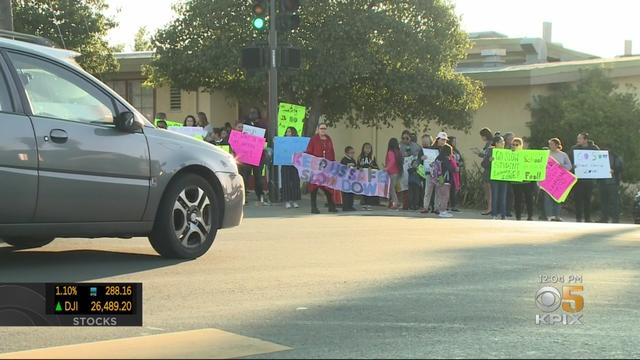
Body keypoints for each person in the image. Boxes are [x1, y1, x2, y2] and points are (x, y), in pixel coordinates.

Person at [306, 123, 337, 214]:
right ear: (318, 129)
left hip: (327, 167)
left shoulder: (328, 139)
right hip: (316, 167)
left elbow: (332, 151)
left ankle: (331, 206)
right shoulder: (314, 139)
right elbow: (309, 151)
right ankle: (313, 207)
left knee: (328, 187)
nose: (323, 130)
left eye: (324, 128)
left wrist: (333, 163)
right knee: (314, 188)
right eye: (321, 128)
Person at [569, 132, 600, 222]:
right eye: (577, 138)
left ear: (585, 140)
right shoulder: (574, 149)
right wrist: (572, 166)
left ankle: (587, 218)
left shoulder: (594, 149)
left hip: (589, 179)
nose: (578, 140)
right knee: (578, 199)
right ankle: (578, 218)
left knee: (587, 199)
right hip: (577, 178)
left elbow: (599, 161)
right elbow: (569, 161)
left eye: (579, 139)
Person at [545, 138, 572, 221]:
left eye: (552, 144)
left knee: (557, 198)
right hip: (548, 179)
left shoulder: (563, 155)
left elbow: (569, 166)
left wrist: (562, 166)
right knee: (548, 198)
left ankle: (556, 216)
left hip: (559, 179)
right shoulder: (546, 154)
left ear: (557, 145)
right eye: (549, 144)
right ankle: (549, 216)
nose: (550, 146)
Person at [482, 135, 508, 220]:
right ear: (496, 143)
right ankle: (494, 214)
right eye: (501, 142)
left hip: (504, 177)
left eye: (503, 141)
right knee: (495, 195)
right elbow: (483, 164)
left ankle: (503, 215)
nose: (503, 143)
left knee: (503, 196)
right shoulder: (490, 151)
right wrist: (489, 160)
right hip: (494, 177)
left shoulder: (507, 152)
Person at [510, 137, 534, 221]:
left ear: (521, 145)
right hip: (515, 182)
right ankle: (518, 216)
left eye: (517, 144)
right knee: (517, 199)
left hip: (526, 181)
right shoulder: (508, 155)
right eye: (513, 144)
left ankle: (530, 215)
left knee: (529, 198)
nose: (515, 146)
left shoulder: (526, 154)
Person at [598, 145, 623, 223]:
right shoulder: (599, 157)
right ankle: (604, 218)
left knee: (614, 201)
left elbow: (620, 168)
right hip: (602, 182)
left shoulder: (615, 157)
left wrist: (614, 170)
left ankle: (615, 219)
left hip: (613, 182)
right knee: (603, 201)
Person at [400, 130, 422, 210]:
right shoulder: (400, 146)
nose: (405, 140)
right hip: (403, 168)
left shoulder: (416, 146)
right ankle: (406, 205)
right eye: (403, 138)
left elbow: (419, 156)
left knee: (414, 188)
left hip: (413, 170)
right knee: (404, 187)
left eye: (407, 138)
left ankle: (414, 204)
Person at [431, 142, 454, 218]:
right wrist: (455, 168)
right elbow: (450, 168)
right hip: (445, 179)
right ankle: (443, 211)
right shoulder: (446, 159)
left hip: (438, 178)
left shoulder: (438, 158)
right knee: (445, 196)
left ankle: (439, 209)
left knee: (440, 196)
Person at [474, 127, 494, 215]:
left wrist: (480, 154)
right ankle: (489, 207)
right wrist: (479, 153)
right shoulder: (488, 144)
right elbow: (485, 156)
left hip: (489, 169)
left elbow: (488, 156)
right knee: (488, 189)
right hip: (487, 168)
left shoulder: (490, 144)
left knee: (489, 190)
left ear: (485, 136)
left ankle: (490, 208)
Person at [282, 126, 302, 209]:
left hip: (295, 165)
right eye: (287, 132)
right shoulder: (282, 141)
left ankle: (294, 200)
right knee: (286, 182)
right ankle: (287, 201)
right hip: (285, 164)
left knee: (295, 182)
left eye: (289, 131)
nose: (288, 133)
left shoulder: (297, 142)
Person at [358, 142, 379, 210]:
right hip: (363, 175)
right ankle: (363, 200)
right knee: (363, 187)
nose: (368, 149)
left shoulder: (372, 157)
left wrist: (373, 166)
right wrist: (360, 166)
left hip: (370, 174)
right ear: (363, 149)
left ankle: (370, 201)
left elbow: (376, 166)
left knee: (369, 187)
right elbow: (358, 166)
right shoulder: (360, 157)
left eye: (369, 148)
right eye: (366, 148)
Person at [419, 134, 436, 213]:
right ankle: (426, 206)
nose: (424, 142)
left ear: (430, 141)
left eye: (426, 140)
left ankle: (434, 207)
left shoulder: (435, 149)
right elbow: (418, 161)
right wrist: (421, 158)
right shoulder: (421, 150)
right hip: (424, 173)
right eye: (423, 141)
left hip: (434, 172)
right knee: (426, 191)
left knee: (434, 191)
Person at [384, 138, 403, 210]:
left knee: (391, 189)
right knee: (393, 188)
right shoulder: (398, 152)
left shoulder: (390, 152)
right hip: (398, 172)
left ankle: (396, 203)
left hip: (392, 173)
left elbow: (392, 161)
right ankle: (394, 202)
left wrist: (387, 168)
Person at [448, 136, 464, 212]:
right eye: (454, 141)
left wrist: (460, 164)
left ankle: (454, 205)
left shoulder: (456, 151)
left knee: (455, 189)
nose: (455, 142)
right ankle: (447, 205)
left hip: (457, 172)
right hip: (450, 172)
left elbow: (461, 159)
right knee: (449, 188)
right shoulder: (447, 150)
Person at [340, 146, 358, 211]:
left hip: (352, 179)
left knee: (351, 193)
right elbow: (342, 169)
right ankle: (345, 206)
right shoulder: (344, 160)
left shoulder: (353, 160)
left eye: (353, 153)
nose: (352, 154)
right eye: (351, 153)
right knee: (346, 194)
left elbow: (356, 167)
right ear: (347, 153)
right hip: (345, 180)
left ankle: (350, 205)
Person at [502, 132, 515, 217]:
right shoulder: (501, 148)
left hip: (512, 174)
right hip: (502, 174)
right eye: (510, 138)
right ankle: (502, 209)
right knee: (503, 192)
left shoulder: (514, 148)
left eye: (512, 139)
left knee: (510, 193)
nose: (511, 140)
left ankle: (508, 210)